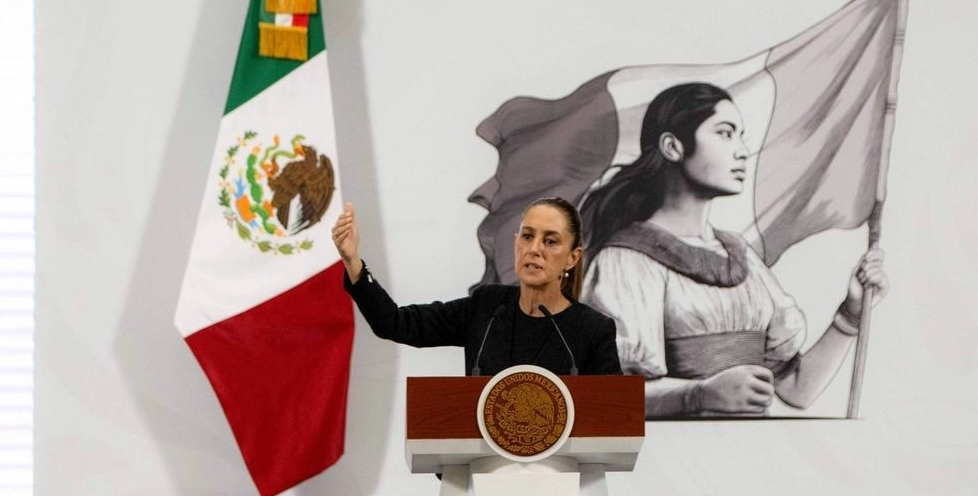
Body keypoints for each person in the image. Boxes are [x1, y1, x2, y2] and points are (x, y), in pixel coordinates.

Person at [579, 82, 889, 417]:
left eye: (742, 136)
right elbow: (603, 399)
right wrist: (699, 395)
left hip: (749, 458)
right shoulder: (625, 262)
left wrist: (852, 314)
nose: (742, 151)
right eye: (725, 134)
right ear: (672, 146)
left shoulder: (740, 256)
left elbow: (797, 389)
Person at [330, 197, 622, 376]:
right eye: (527, 236)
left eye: (550, 241)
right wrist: (353, 261)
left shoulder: (593, 330)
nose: (534, 249)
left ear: (573, 258)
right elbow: (394, 323)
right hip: (481, 473)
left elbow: (613, 422)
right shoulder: (488, 307)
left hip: (559, 475)